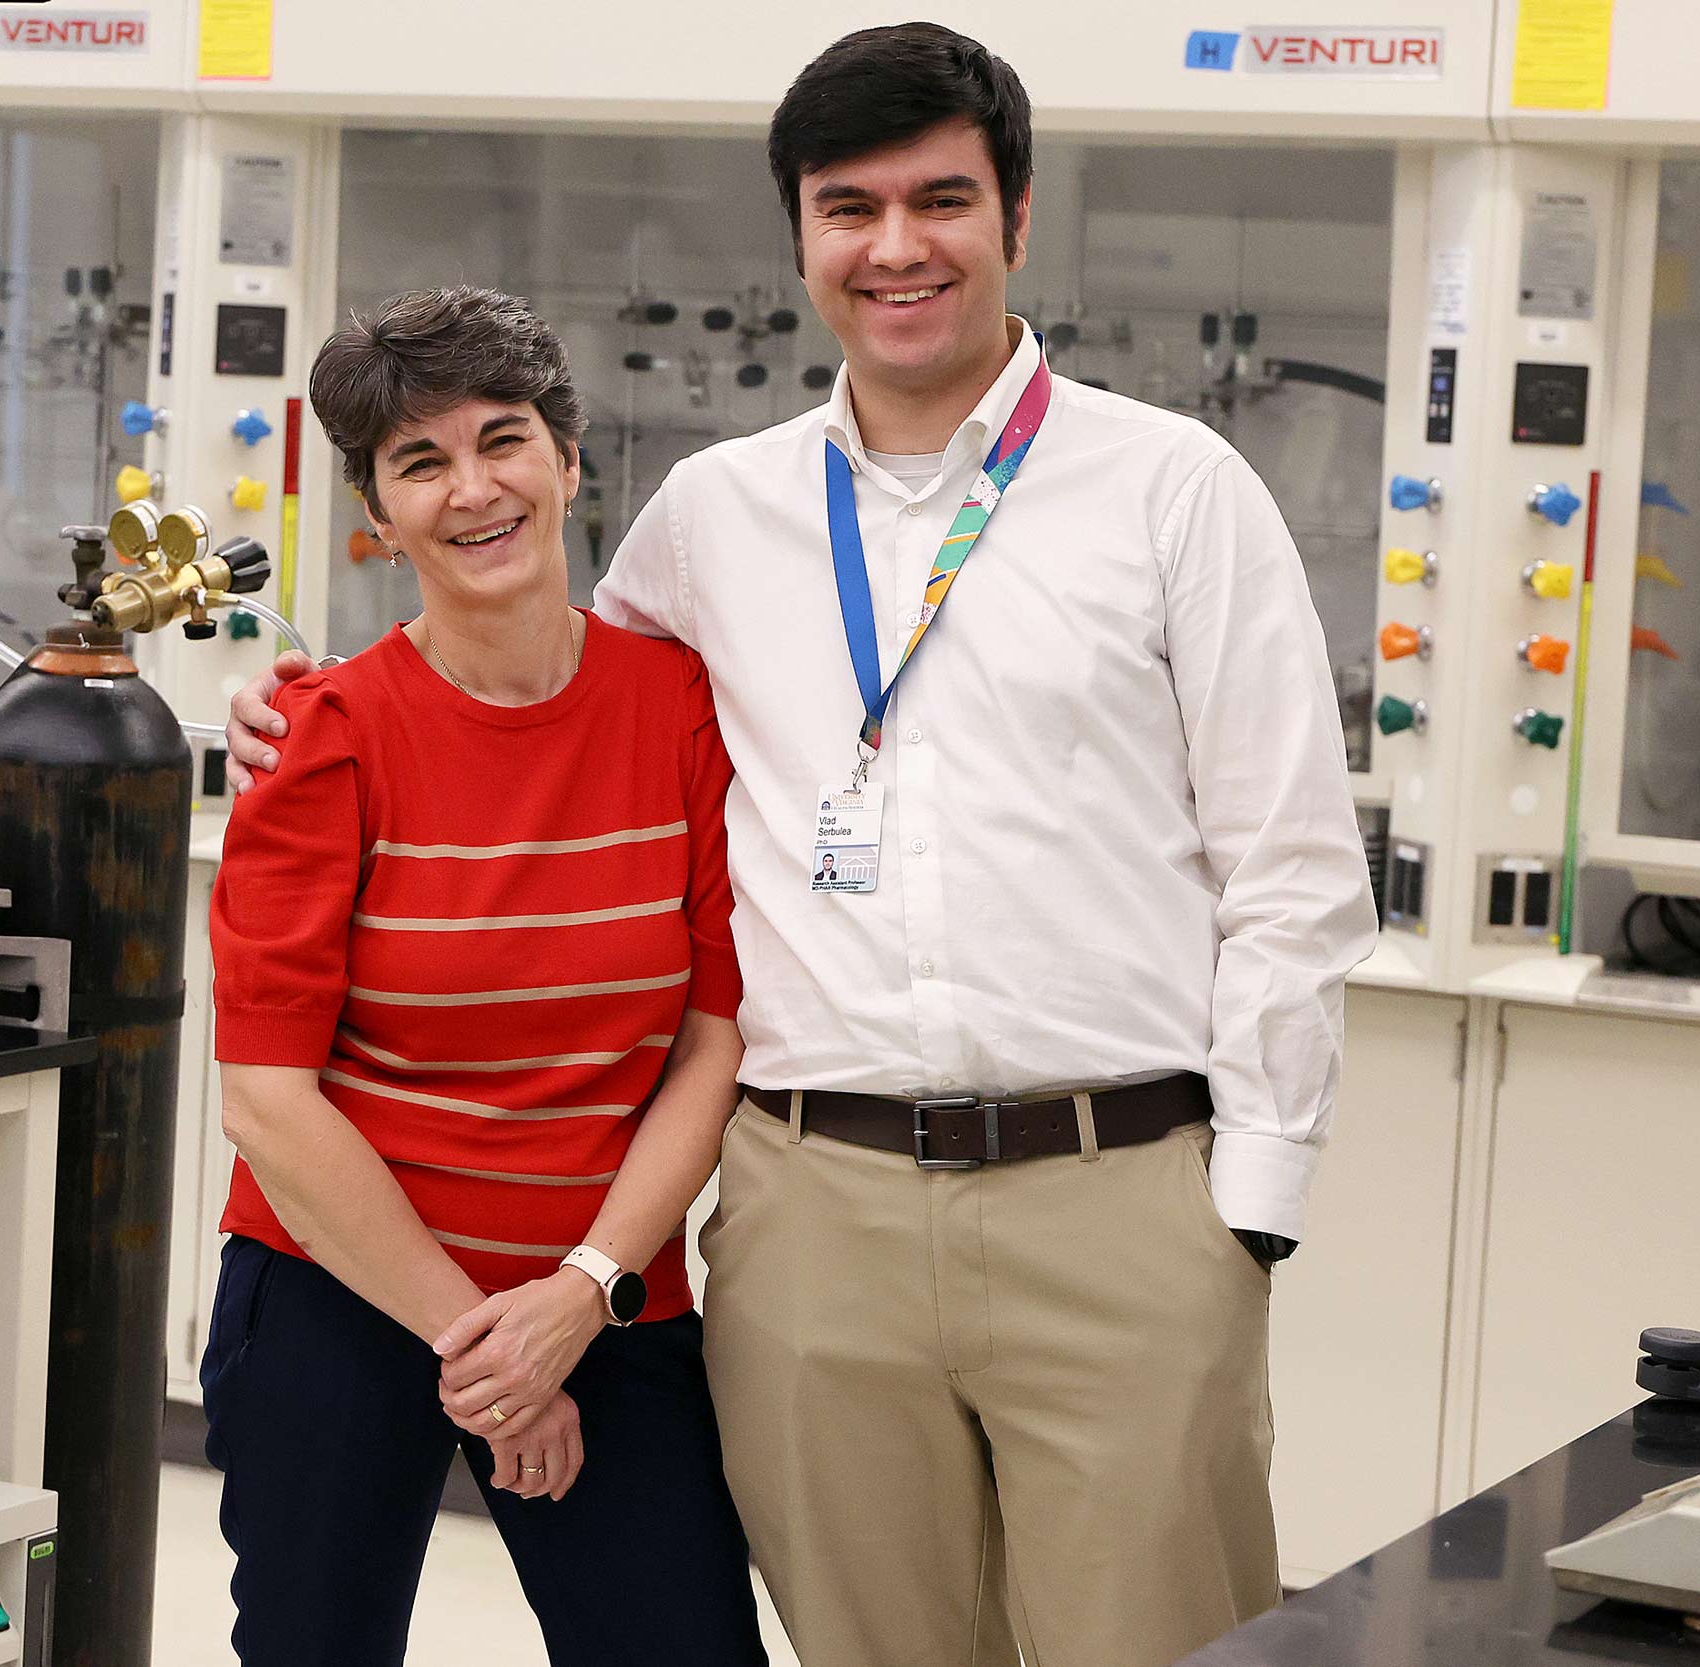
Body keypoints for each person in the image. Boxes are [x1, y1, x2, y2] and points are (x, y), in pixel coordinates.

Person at [227, 25, 1377, 1667]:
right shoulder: (716, 515)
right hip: (809, 1215)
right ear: (802, 238)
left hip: (1115, 1193)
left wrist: (1246, 1206)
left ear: (1018, 219)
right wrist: (287, 708)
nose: (896, 248)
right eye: (851, 207)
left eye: (941, 201)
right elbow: (529, 694)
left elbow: (1294, 869)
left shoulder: (1173, 490)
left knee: (1161, 1646)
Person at [203, 284, 766, 1667]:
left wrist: (576, 1297)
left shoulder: (683, 710)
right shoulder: (320, 742)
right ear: (376, 516)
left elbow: (713, 1037)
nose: (473, 489)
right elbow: (269, 1103)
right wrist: (492, 1361)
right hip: (343, 1291)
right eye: (419, 462)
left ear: (570, 463)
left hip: (603, 1290)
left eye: (502, 439)